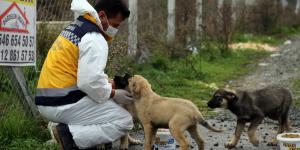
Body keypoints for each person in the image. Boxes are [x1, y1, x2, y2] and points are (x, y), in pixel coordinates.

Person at [35, 0, 133, 149]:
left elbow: (81, 72)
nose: (115, 29)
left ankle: (86, 139)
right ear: (102, 16)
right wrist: (113, 93)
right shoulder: (95, 37)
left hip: (47, 98)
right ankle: (68, 136)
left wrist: (105, 82)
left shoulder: (76, 27)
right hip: (63, 103)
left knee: (101, 97)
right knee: (124, 120)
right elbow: (88, 83)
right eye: (115, 25)